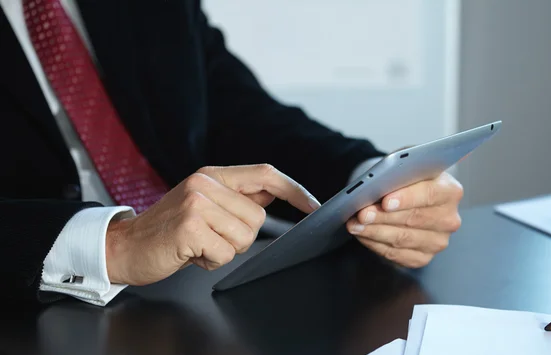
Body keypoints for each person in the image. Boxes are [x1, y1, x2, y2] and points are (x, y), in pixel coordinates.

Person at [0, 0, 463, 306]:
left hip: (194, 298)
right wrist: (113, 243)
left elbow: (233, 111)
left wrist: (374, 182)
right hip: (33, 310)